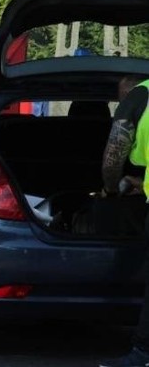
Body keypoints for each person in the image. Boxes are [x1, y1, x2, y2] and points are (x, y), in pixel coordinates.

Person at [100, 74, 149, 367]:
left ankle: (143, 353)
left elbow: (112, 158)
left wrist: (109, 187)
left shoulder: (140, 96)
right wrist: (141, 181)